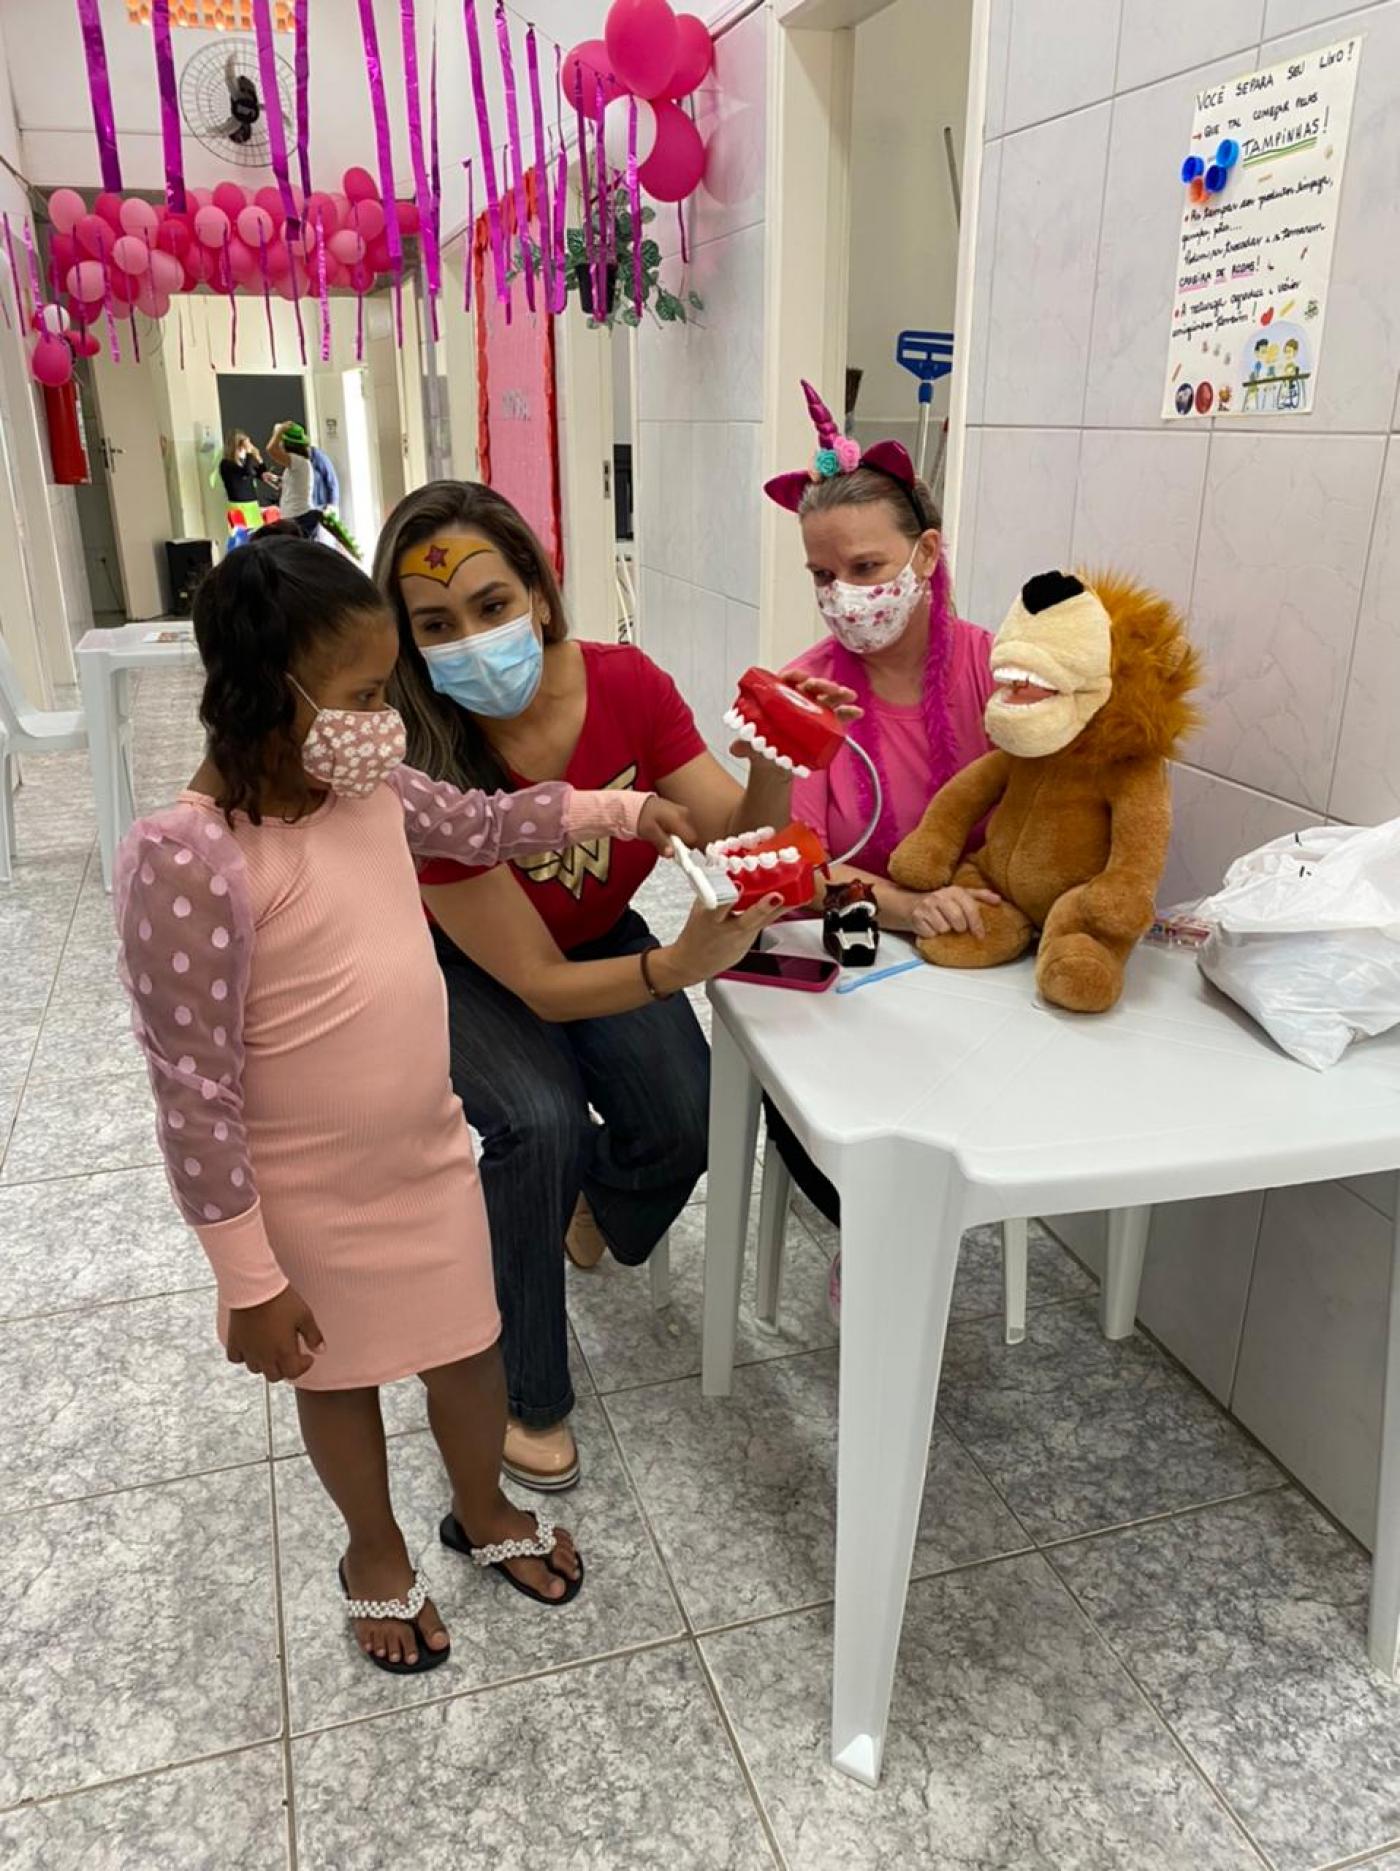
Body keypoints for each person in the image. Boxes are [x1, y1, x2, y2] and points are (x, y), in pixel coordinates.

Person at [114, 525, 696, 1674]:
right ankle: (371, 1549)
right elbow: (191, 1091)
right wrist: (246, 1276)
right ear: (258, 695)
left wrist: (620, 814)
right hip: (304, 1191)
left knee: (468, 1347)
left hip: (425, 1152)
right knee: (337, 1379)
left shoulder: (364, 784)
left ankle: (479, 1507)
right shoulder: (189, 856)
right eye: (361, 691)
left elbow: (485, 826)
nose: (384, 715)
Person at [374, 481, 854, 1492]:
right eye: (434, 624)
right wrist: (675, 968)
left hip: (603, 936)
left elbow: (737, 832)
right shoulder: (421, 758)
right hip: (469, 968)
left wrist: (775, 757)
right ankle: (526, 1388)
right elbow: (540, 986)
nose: (469, 639)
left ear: (541, 596)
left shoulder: (625, 684)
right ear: (405, 640)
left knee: (685, 1120)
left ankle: (591, 1200)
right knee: (538, 1122)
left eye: (490, 605)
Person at [761, 381, 997, 1241]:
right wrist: (904, 907)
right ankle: (868, 1240)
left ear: (926, 554)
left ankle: (922, 1227)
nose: (844, 594)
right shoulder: (807, 690)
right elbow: (800, 872)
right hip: (860, 944)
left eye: (867, 569)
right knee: (814, 1085)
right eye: (823, 575)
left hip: (981, 952)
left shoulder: (997, 671)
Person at [266, 421, 360, 557]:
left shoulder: (298, 462)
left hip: (298, 517)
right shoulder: (299, 464)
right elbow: (293, 488)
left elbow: (271, 450)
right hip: (297, 516)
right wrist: (278, 481)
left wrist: (280, 431)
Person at [217, 430, 271, 506]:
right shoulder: (226, 463)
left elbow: (263, 475)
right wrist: (249, 453)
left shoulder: (244, 462)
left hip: (252, 503)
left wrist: (259, 459)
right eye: (244, 446)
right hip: (239, 505)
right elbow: (246, 472)